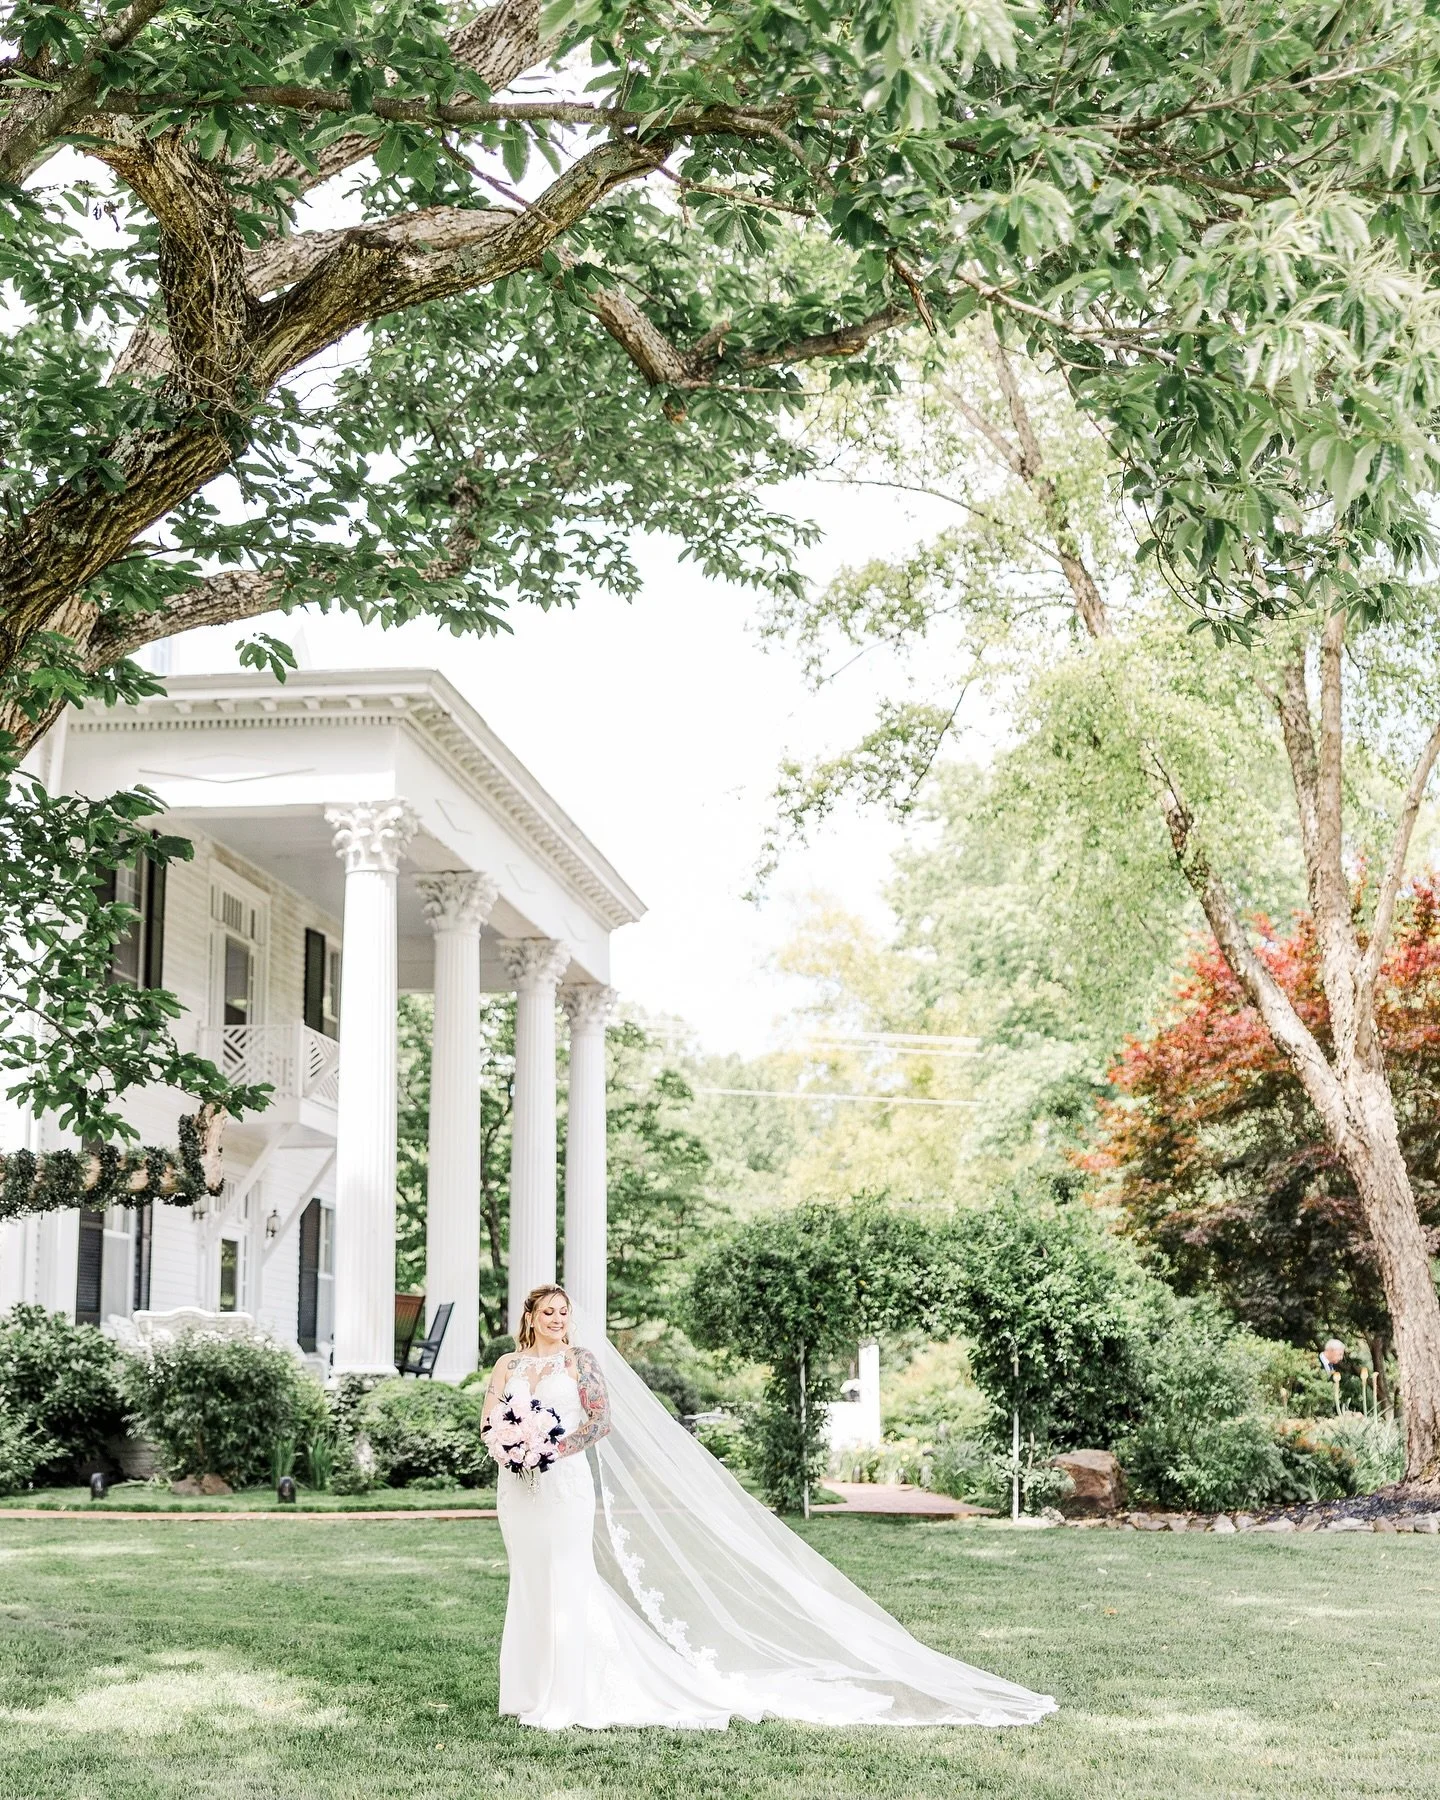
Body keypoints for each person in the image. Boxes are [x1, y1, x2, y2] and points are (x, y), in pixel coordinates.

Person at [481, 1282, 1056, 1733]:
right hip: (518, 1488)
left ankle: (573, 1689)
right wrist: (511, 1450)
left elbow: (600, 1422)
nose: (559, 1321)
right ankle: (529, 1689)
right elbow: (491, 1419)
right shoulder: (508, 1366)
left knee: (568, 1577)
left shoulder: (581, 1362)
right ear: (530, 1316)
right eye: (549, 1313)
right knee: (530, 1581)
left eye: (565, 1313)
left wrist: (553, 1448)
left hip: (565, 1483)